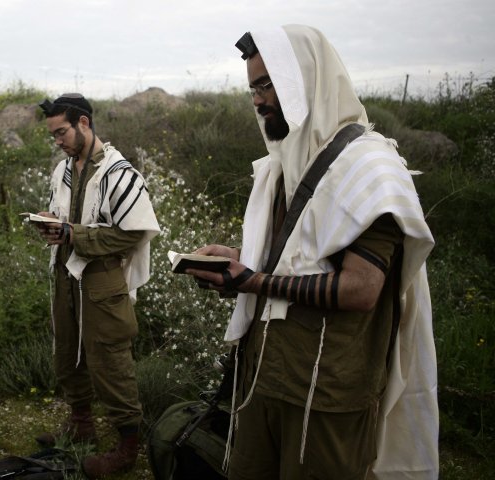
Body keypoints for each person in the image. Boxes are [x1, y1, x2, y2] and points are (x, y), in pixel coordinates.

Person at [184, 26, 438, 479]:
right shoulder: (283, 165)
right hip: (262, 375)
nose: (258, 100)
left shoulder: (370, 169)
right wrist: (236, 259)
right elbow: (299, 257)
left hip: (325, 391)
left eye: (268, 84)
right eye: (252, 88)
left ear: (303, 79)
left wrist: (252, 280)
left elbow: (361, 289)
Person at [32, 93, 160, 478]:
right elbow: (65, 216)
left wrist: (75, 235)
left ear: (84, 123)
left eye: (62, 132)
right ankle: (81, 423)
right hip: (64, 274)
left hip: (102, 278)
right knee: (67, 350)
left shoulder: (120, 174)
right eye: (53, 134)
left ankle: (127, 447)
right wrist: (49, 224)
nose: (57, 141)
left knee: (110, 360)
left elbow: (133, 234)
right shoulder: (63, 170)